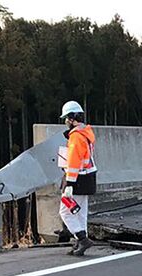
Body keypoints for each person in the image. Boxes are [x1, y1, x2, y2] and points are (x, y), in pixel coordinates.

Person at [58, 101, 97, 256]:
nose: (66, 122)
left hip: (78, 179)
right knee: (80, 212)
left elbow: (74, 162)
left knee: (66, 211)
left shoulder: (76, 137)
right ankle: (80, 241)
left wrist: (69, 184)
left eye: (67, 118)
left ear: (72, 118)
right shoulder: (86, 133)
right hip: (88, 177)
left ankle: (82, 239)